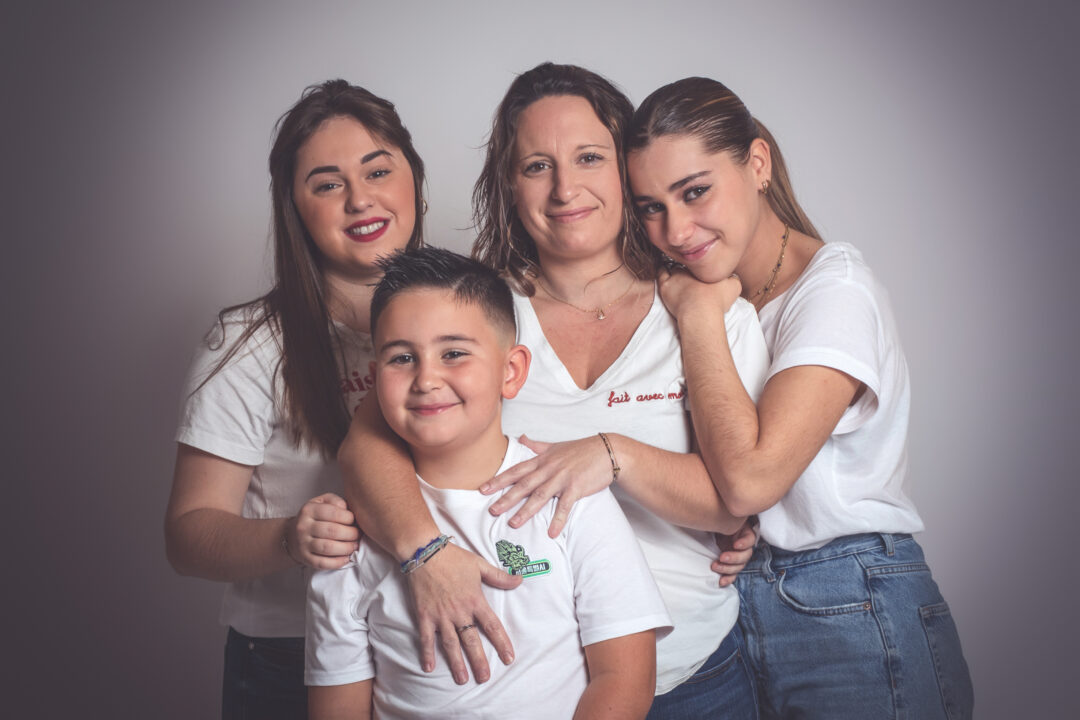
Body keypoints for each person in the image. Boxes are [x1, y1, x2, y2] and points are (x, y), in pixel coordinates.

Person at [337, 63, 768, 719]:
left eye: (589, 158)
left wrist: (611, 455)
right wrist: (423, 553)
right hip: (526, 690)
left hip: (697, 678)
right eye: (537, 165)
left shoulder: (711, 313)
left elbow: (734, 501)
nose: (566, 188)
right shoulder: (468, 316)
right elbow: (365, 448)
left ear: (626, 169)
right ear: (508, 184)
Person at [624, 76, 974, 719]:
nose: (675, 229)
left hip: (852, 606)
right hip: (749, 606)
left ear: (757, 164)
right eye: (650, 207)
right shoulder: (729, 299)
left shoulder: (834, 290)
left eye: (694, 191)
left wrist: (699, 317)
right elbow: (749, 490)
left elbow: (752, 478)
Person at [164, 79, 447, 719]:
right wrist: (293, 540)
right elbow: (187, 536)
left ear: (415, 181)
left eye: (378, 170)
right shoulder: (246, 345)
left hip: (433, 646)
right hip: (291, 659)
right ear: (294, 207)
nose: (360, 199)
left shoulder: (470, 315)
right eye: (326, 184)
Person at [306, 247, 669, 720]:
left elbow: (625, 678)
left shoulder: (571, 498)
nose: (426, 379)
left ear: (511, 371)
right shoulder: (345, 535)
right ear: (375, 379)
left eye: (453, 353)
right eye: (401, 359)